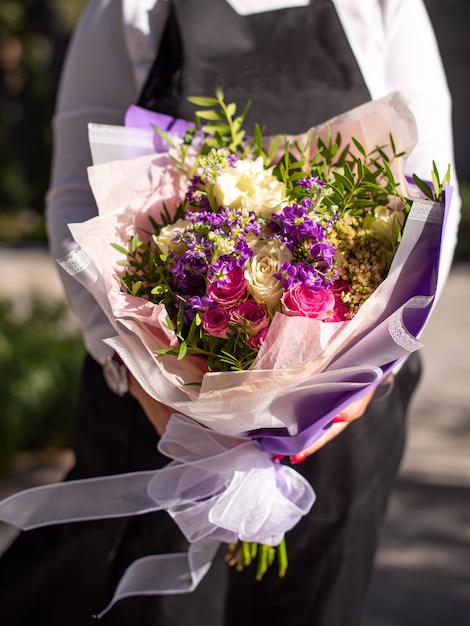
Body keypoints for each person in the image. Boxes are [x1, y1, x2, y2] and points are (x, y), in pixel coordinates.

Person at [0, 1, 460, 625]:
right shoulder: (126, 10)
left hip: (346, 425)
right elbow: (76, 202)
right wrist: (138, 374)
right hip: (156, 418)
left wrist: (367, 373)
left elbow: (432, 195)